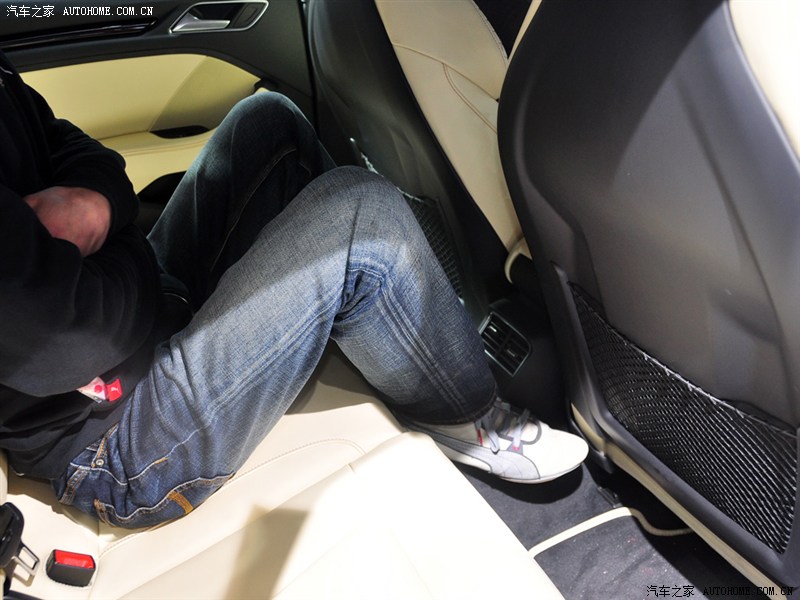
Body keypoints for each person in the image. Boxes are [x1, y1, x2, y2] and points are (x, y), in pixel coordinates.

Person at [0, 50, 588, 529]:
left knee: (268, 122)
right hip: (113, 437)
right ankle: (467, 415)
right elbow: (67, 342)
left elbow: (77, 148)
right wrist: (120, 240)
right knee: (361, 218)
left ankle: (380, 322)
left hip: (134, 312)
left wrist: (96, 204)